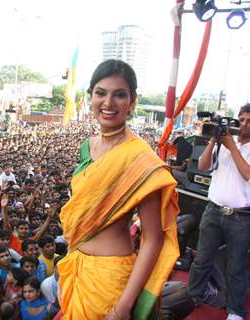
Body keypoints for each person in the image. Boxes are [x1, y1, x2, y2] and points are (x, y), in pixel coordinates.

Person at [57, 59, 179, 319]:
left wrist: (124, 305)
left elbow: (153, 239)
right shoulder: (87, 147)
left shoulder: (140, 159)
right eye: (101, 93)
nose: (108, 103)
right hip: (75, 267)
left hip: (109, 279)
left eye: (119, 95)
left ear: (132, 102)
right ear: (90, 97)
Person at [188, 103, 250, 320]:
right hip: (213, 211)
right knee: (202, 260)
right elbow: (202, 166)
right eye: (241, 119)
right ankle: (192, 296)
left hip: (241, 218)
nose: (244, 124)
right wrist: (213, 140)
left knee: (236, 267)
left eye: (249, 120)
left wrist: (232, 147)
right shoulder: (225, 143)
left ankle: (235, 310)